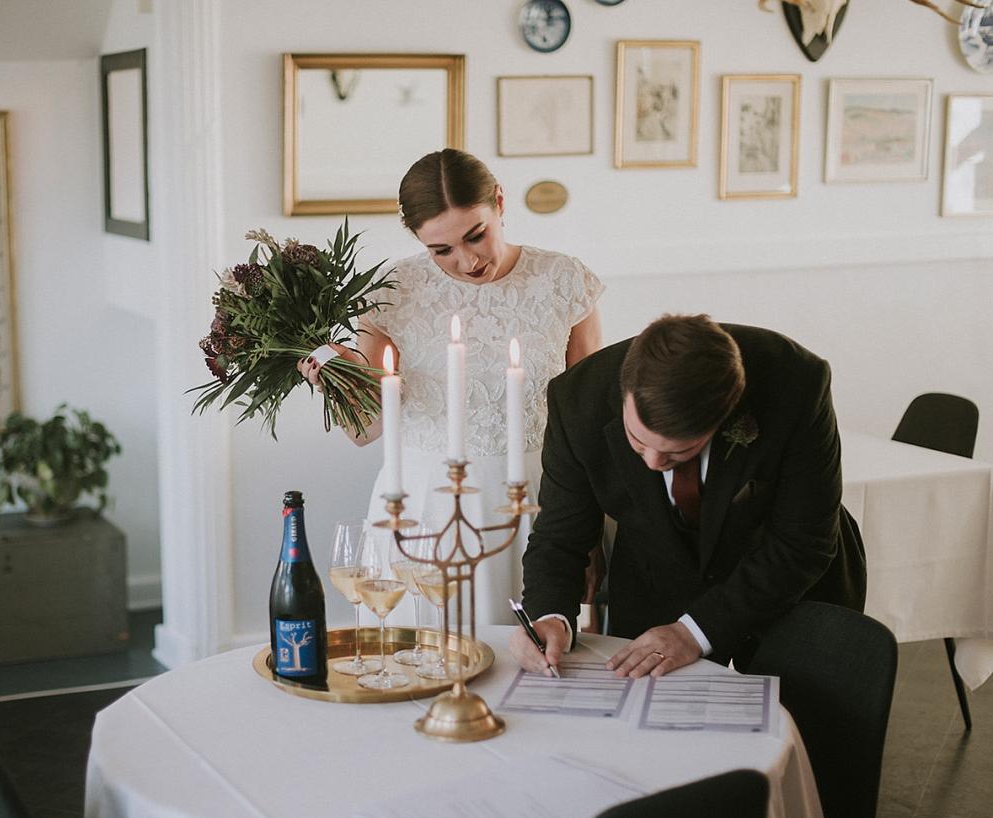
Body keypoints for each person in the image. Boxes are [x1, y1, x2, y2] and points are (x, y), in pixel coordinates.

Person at [299, 148, 604, 625]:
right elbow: (366, 430)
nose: (465, 261)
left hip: (535, 508)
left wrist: (589, 535)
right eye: (441, 249)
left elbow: (592, 421)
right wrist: (337, 381)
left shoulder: (562, 280)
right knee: (416, 666)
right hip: (422, 509)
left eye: (475, 235)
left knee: (527, 668)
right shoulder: (391, 291)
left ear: (499, 203)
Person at [511, 314, 866, 676]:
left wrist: (694, 632)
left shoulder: (797, 383)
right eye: (638, 442)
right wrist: (549, 617)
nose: (652, 462)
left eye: (677, 453)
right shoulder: (577, 400)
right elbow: (559, 536)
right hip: (656, 573)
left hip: (785, 584)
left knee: (799, 721)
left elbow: (802, 543)